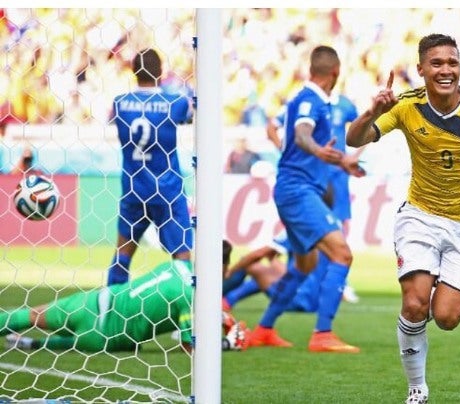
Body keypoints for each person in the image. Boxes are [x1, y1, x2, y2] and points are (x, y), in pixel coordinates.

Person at [346, 34, 460, 403]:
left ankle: (415, 326)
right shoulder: (405, 106)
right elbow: (355, 139)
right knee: (414, 304)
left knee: (446, 317)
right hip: (421, 216)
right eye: (437, 63)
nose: (446, 70)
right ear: (421, 70)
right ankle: (417, 388)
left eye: (452, 63)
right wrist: (372, 111)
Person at [249, 45, 365, 353]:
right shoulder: (310, 101)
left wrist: (342, 162)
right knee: (342, 254)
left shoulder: (311, 100)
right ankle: (323, 334)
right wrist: (317, 150)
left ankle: (263, 328)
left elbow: (304, 140)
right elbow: (302, 134)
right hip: (299, 191)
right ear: (335, 73)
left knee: (304, 264)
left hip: (296, 189)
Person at [1, 240, 249, 353]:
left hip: (94, 302)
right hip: (105, 338)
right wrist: (225, 345)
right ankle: (29, 344)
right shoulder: (191, 297)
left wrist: (219, 319)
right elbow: (189, 346)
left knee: (31, 315)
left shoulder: (176, 266)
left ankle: (24, 339)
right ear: (224, 269)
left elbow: (166, 298)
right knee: (81, 344)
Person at [107, 48, 193, 286]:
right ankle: (186, 314)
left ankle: (109, 310)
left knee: (122, 254)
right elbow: (190, 114)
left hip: (134, 190)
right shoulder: (174, 103)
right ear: (161, 72)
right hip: (168, 191)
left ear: (133, 71)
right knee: (182, 257)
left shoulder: (120, 103)